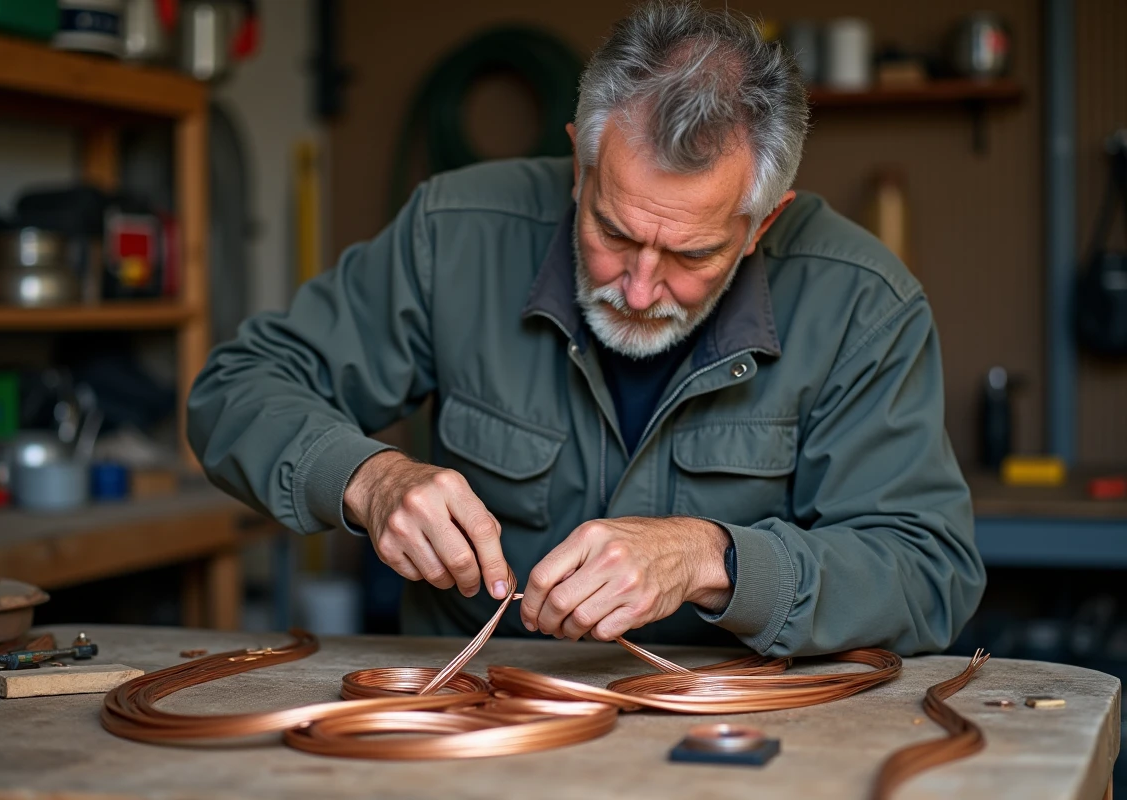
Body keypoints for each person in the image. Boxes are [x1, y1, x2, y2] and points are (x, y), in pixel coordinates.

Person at [187, 1, 984, 656]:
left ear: (762, 222)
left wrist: (713, 558)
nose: (639, 288)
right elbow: (236, 389)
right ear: (579, 163)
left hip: (730, 720)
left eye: (692, 254)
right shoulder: (452, 233)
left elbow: (928, 571)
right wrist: (369, 478)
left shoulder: (865, 303)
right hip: (472, 712)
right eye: (611, 230)